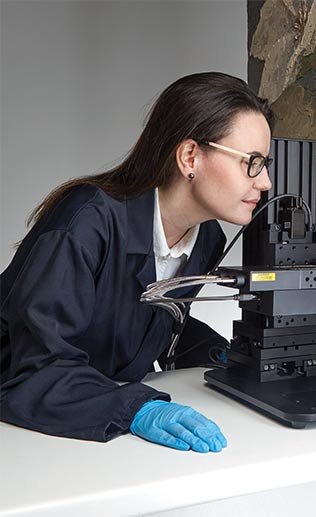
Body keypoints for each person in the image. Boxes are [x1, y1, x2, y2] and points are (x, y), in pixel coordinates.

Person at [0, 72, 273, 453]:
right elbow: (36, 367)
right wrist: (137, 410)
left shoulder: (206, 240)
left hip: (89, 425)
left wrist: (226, 355)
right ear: (190, 156)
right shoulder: (85, 222)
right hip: (21, 427)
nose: (266, 183)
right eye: (253, 162)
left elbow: (150, 317)